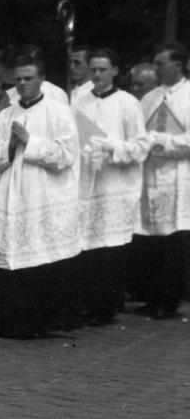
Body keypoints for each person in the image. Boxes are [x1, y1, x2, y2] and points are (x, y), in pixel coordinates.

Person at [0, 53, 81, 339]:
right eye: (18, 79)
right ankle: (4, 321)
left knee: (39, 253)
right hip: (10, 193)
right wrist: (10, 146)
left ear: (42, 80)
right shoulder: (5, 114)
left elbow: (66, 155)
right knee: (6, 252)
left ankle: (36, 323)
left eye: (28, 78)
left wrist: (30, 142)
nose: (22, 84)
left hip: (42, 194)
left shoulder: (59, 113)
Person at [68, 48, 145, 326]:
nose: (97, 75)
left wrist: (112, 146)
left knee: (109, 249)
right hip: (86, 183)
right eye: (94, 70)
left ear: (114, 71)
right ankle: (86, 302)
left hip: (115, 185)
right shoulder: (79, 101)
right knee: (87, 247)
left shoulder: (127, 103)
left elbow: (140, 147)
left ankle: (106, 307)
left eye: (103, 70)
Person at [135, 42, 190, 319]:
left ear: (177, 66)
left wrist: (162, 141)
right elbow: (138, 132)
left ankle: (169, 300)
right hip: (151, 175)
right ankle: (152, 296)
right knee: (152, 241)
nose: (155, 69)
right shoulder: (150, 98)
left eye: (160, 64)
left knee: (174, 242)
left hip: (180, 175)